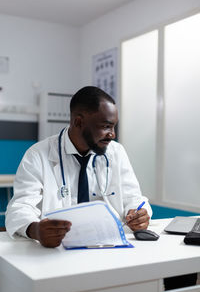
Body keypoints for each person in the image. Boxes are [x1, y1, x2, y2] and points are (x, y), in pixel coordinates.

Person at [6, 86, 152, 247]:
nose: (112, 135)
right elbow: (20, 207)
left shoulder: (116, 152)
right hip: (57, 249)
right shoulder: (37, 155)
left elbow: (133, 198)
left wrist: (138, 214)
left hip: (109, 244)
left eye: (114, 127)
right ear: (79, 122)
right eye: (105, 126)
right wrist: (36, 230)